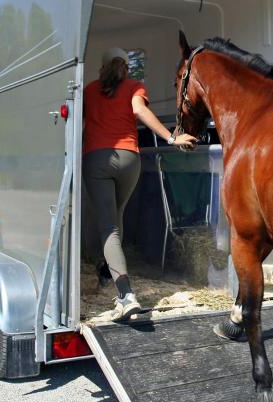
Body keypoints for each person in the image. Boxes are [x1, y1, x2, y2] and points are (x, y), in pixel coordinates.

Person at [83, 47, 197, 321]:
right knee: (117, 218)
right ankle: (106, 268)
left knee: (108, 227)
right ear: (126, 67)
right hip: (129, 159)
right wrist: (171, 138)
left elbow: (79, 122)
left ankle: (125, 296)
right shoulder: (134, 86)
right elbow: (139, 111)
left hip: (97, 157)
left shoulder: (89, 90)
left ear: (102, 67)